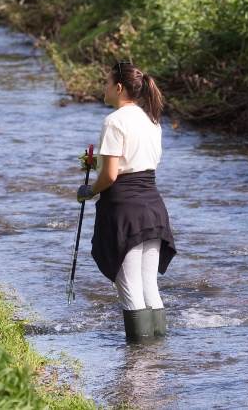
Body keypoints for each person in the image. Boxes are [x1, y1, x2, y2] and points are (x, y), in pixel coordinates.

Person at [76, 61, 177, 342]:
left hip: (124, 209)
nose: (103, 88)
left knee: (130, 289)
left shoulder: (114, 121)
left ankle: (136, 373)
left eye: (106, 83)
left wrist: (89, 190)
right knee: (149, 287)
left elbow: (109, 175)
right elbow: (136, 163)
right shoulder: (151, 120)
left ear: (118, 87)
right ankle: (156, 364)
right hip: (153, 208)